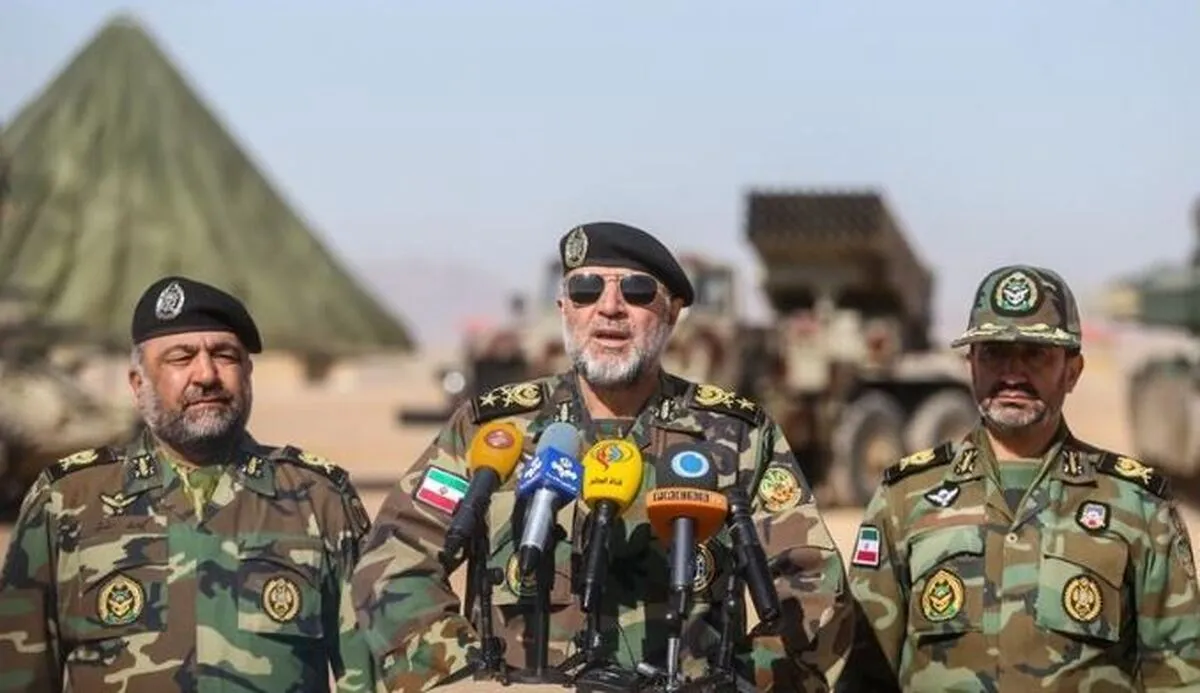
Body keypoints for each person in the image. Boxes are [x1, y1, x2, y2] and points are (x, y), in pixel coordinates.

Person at [351, 221, 853, 692]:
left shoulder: (738, 436)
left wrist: (741, 683)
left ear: (672, 312)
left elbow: (816, 588)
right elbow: (394, 560)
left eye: (636, 291)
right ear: (563, 307)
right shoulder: (492, 432)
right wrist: (465, 678)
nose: (609, 307)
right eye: (586, 289)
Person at [0, 275, 377, 692]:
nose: (206, 374)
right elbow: (18, 673)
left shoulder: (320, 499)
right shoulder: (66, 501)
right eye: (181, 358)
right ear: (138, 383)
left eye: (225, 356)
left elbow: (372, 673)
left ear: (248, 373)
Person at [842, 264, 1200, 691]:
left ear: (1072, 372)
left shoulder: (1139, 508)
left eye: (1035, 354)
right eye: (994, 353)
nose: (1012, 373)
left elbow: (1179, 678)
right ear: (971, 365)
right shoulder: (904, 499)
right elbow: (862, 674)